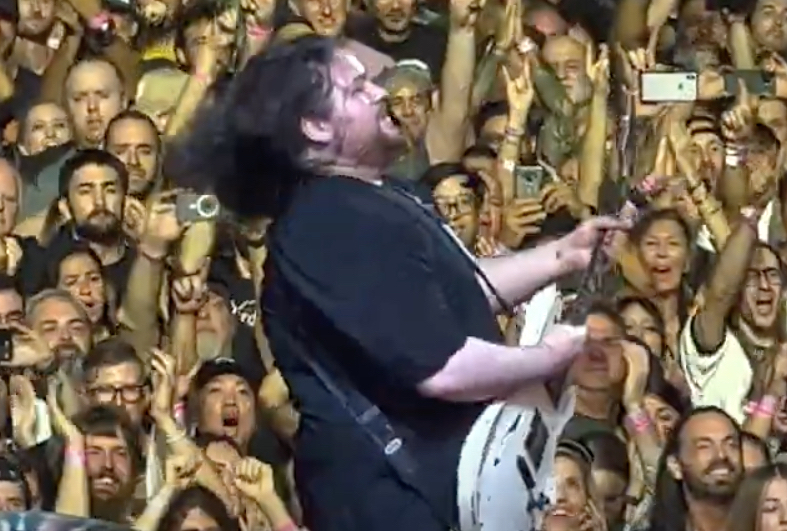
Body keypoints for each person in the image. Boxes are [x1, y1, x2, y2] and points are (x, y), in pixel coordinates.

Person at [166, 32, 624, 531]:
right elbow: (442, 368)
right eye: (357, 88)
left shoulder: (383, 194)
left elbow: (459, 288)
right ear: (316, 126)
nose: (379, 93)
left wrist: (561, 255)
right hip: (391, 502)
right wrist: (549, 356)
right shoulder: (325, 220)